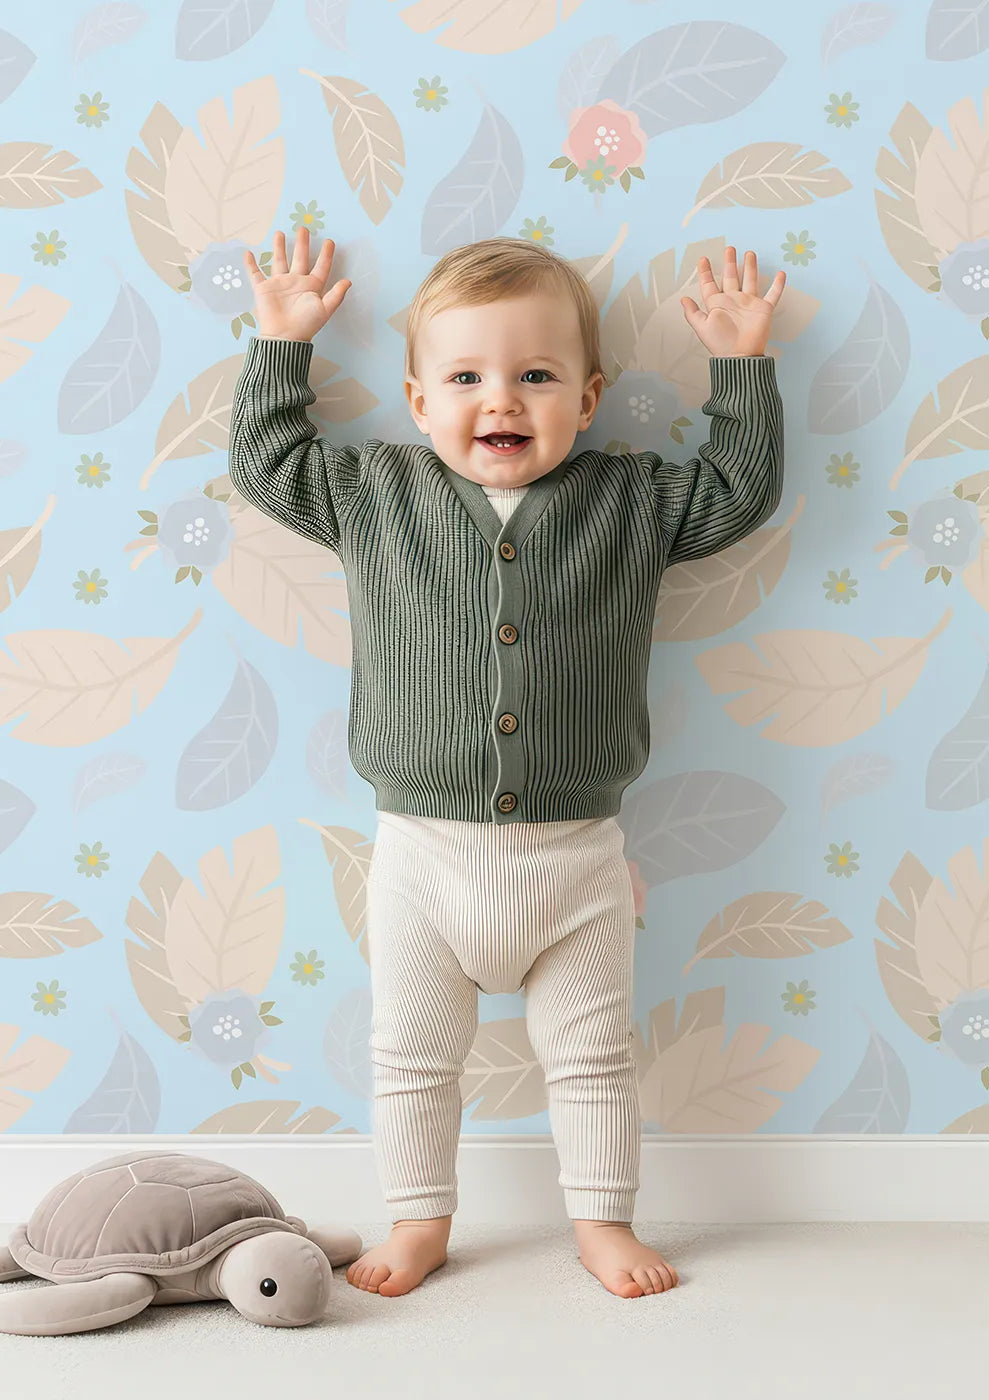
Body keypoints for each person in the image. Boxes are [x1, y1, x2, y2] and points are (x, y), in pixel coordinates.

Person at [231, 226, 786, 1299]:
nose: (501, 400)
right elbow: (269, 464)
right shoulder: (370, 494)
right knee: (411, 1058)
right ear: (416, 398)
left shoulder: (628, 502)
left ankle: (601, 1221)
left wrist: (743, 365)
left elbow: (738, 489)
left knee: (590, 1057)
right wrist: (280, 346)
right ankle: (418, 1219)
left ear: (587, 400)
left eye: (536, 375)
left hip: (577, 860)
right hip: (421, 855)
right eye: (467, 377)